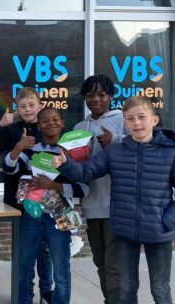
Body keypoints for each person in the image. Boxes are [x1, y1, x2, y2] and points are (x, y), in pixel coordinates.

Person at [53, 96, 175, 304]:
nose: (136, 123)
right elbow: (86, 172)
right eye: (130, 119)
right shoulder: (115, 152)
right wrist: (66, 164)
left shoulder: (170, 152)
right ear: (124, 123)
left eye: (141, 117)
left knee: (160, 289)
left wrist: (168, 220)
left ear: (154, 120)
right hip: (124, 230)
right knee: (126, 288)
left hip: (158, 231)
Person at [3, 107, 89, 304]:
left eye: (55, 119)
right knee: (24, 267)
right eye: (45, 121)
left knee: (61, 270)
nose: (51, 123)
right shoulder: (32, 149)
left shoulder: (71, 153)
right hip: (31, 215)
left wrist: (51, 185)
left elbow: (84, 188)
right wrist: (18, 147)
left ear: (62, 123)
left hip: (58, 217)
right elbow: (9, 168)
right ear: (39, 125)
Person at [0, 87, 54, 303]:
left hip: (45, 196)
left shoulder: (48, 126)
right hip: (19, 198)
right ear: (17, 108)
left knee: (45, 248)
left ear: (40, 105)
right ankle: (24, 296)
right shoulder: (10, 128)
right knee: (24, 252)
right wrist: (0, 126)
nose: (28, 110)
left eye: (32, 105)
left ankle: (47, 291)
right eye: (23, 106)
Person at [74, 74, 124, 304]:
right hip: (92, 205)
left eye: (101, 94)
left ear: (111, 96)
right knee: (101, 262)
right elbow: (76, 170)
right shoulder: (79, 127)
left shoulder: (122, 121)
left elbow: (143, 145)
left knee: (115, 266)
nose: (96, 99)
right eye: (90, 95)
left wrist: (116, 140)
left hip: (117, 206)